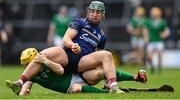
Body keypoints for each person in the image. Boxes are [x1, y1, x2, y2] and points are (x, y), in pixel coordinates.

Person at [5, 1, 125, 93]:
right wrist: (72, 45)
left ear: (102, 15)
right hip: (68, 54)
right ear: (88, 12)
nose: (94, 14)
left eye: (98, 12)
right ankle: (20, 83)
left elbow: (100, 60)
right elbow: (66, 38)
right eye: (92, 11)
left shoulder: (102, 36)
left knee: (107, 55)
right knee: (42, 55)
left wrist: (106, 81)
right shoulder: (79, 22)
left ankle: (113, 86)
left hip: (83, 62)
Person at [6, 48, 147, 96]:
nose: (26, 66)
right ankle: (109, 93)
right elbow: (26, 87)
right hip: (70, 86)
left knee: (99, 73)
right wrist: (22, 92)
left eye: (27, 63)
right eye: (25, 65)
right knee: (75, 89)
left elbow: (60, 70)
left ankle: (136, 78)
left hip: (77, 76)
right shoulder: (32, 75)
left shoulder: (45, 62)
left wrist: (46, 62)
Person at [143, 7, 170, 74]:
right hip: (151, 41)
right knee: (149, 56)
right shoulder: (148, 21)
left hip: (159, 41)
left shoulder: (162, 22)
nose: (153, 15)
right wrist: (146, 38)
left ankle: (159, 68)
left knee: (159, 55)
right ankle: (152, 66)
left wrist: (163, 35)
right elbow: (145, 30)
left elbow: (167, 31)